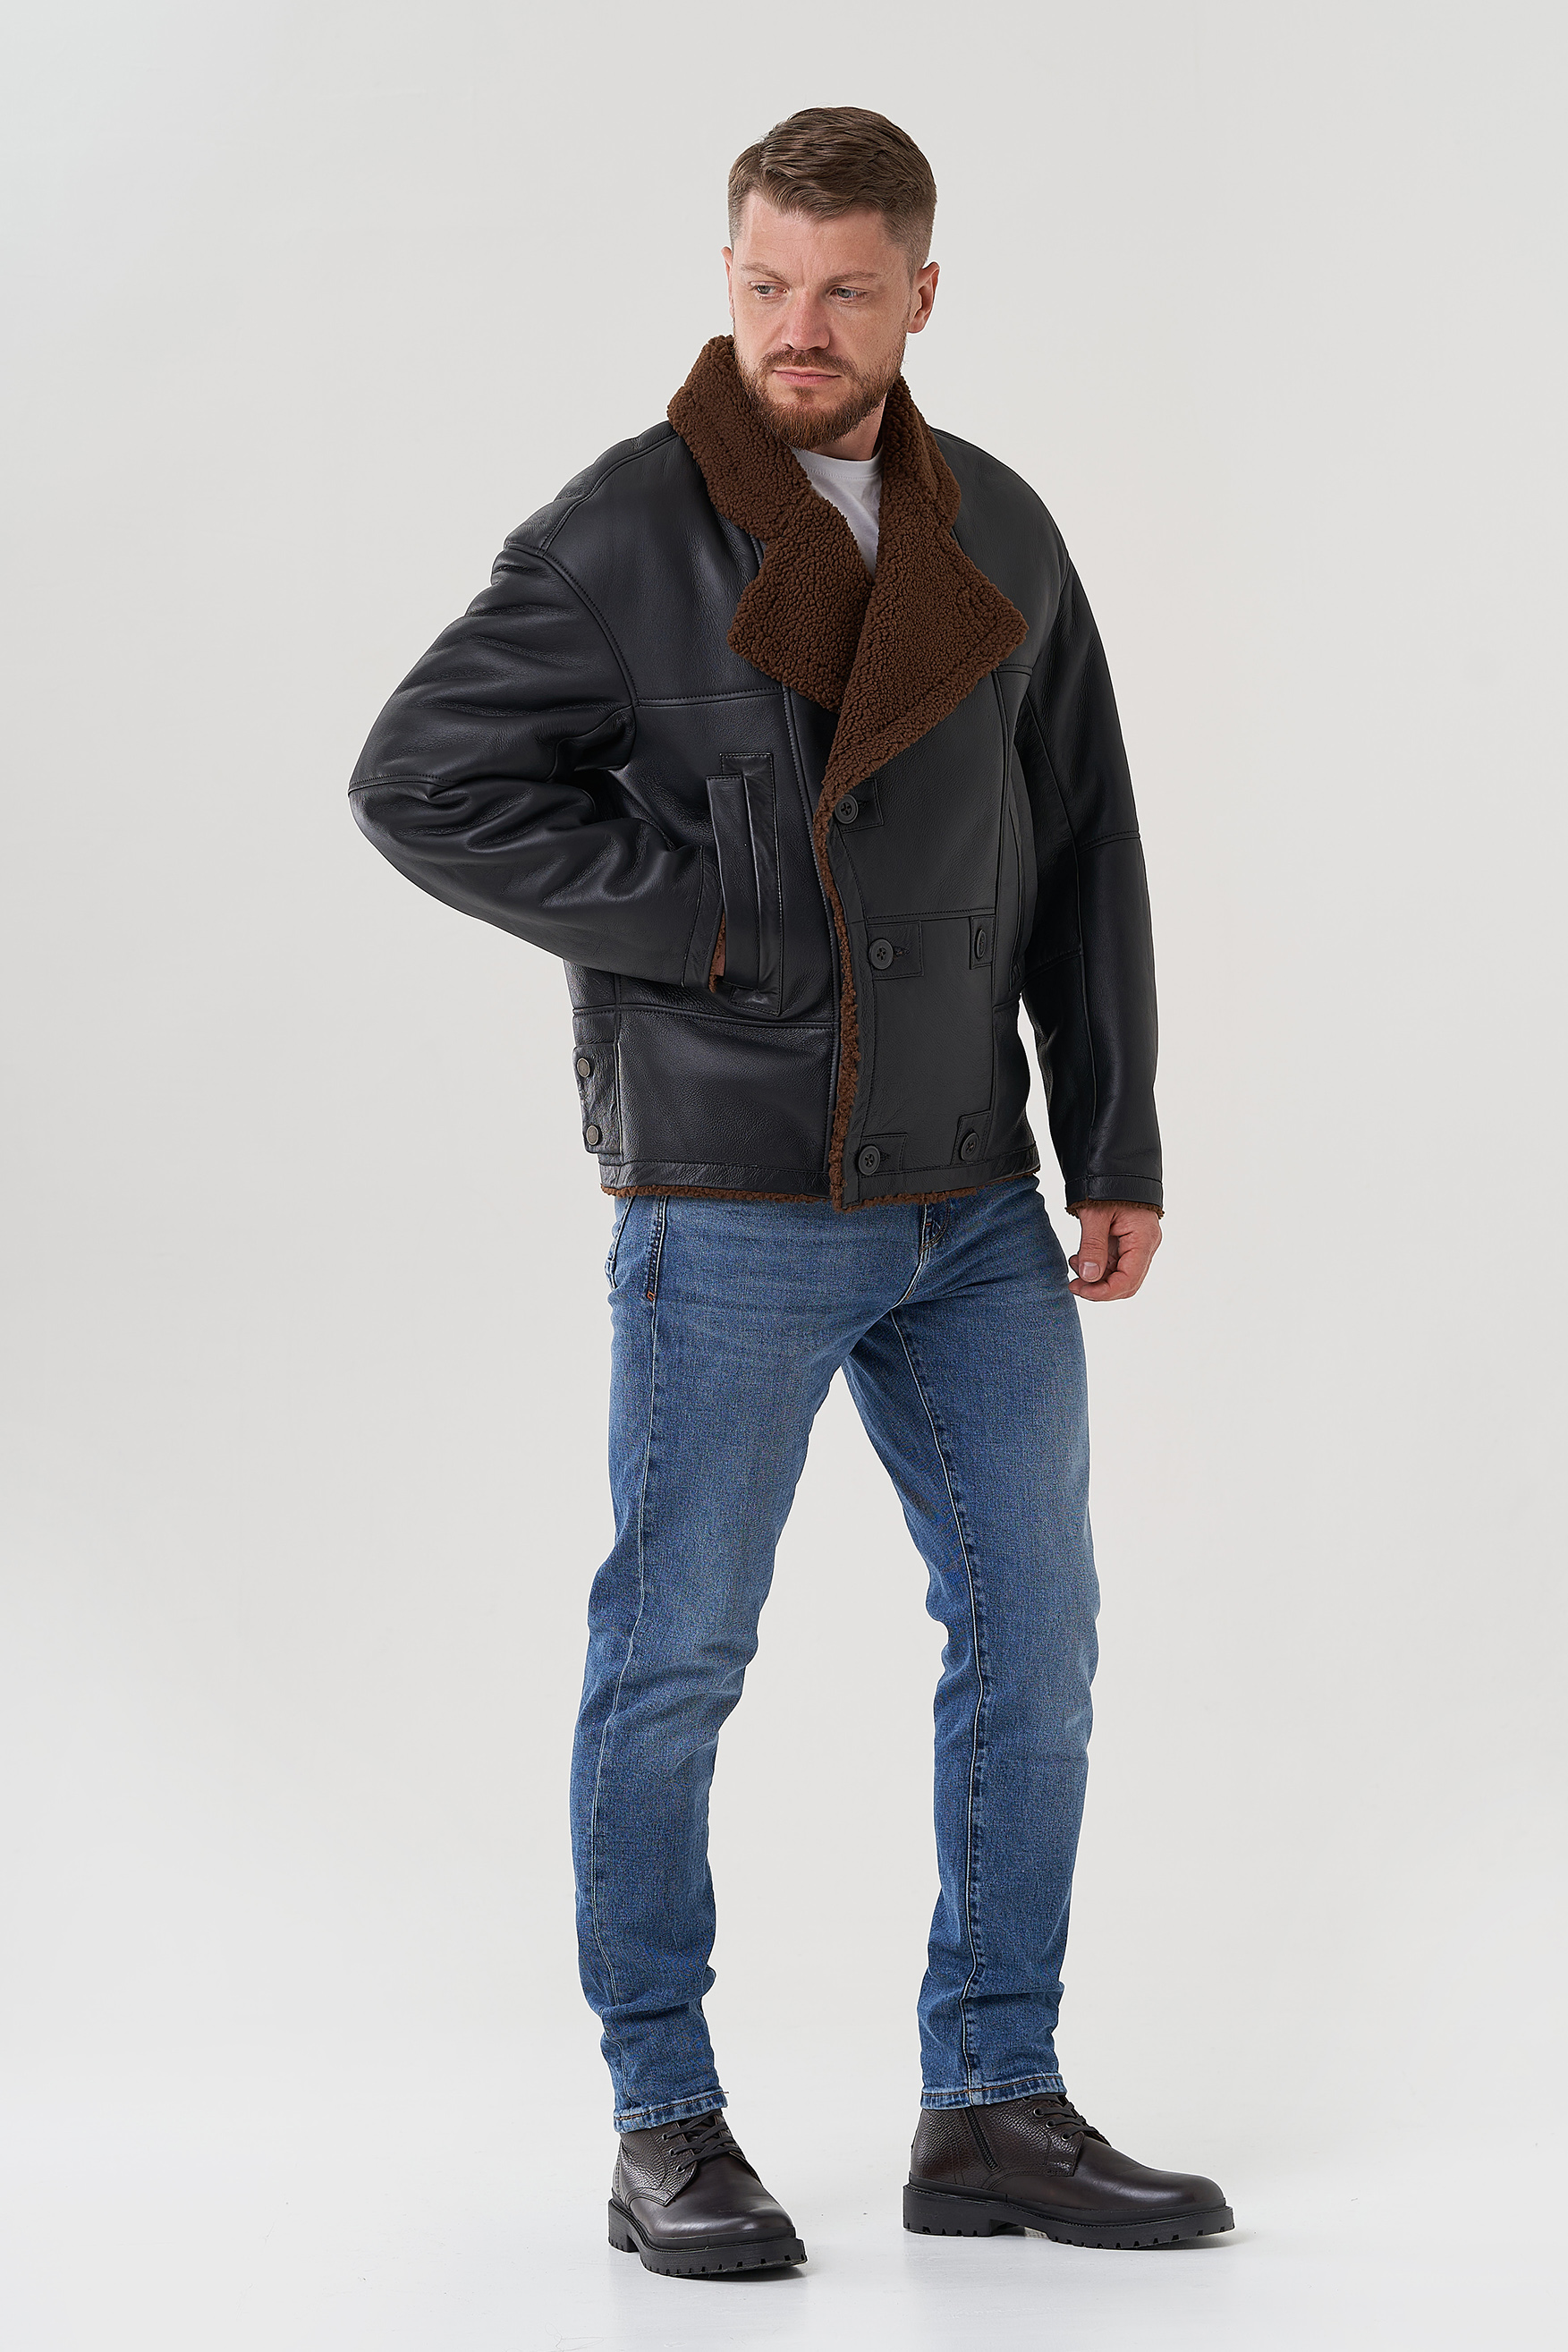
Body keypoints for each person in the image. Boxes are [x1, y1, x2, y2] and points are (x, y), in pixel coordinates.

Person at [349, 105, 1233, 2278]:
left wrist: (1110, 1136)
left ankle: (992, 2097)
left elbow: (1084, 837)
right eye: (762, 285)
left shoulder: (997, 521)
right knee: (675, 1659)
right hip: (729, 1188)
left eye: (842, 290)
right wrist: (725, 918)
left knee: (1035, 1642)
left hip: (971, 1196)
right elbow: (418, 778)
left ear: (920, 293)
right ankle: (663, 2118)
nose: (796, 330)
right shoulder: (619, 530)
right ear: (727, 276)